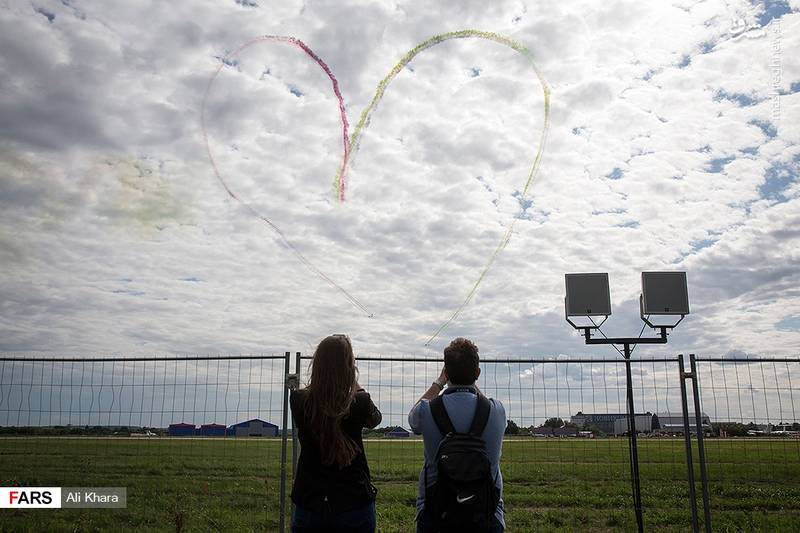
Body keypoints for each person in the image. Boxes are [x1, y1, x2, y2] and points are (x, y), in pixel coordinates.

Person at [408, 337, 506, 533]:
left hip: (436, 513)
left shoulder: (427, 410)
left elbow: (413, 419)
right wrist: (471, 380)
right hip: (486, 513)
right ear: (477, 373)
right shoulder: (496, 410)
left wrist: (438, 383)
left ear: (446, 373)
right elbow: (482, 401)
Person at [290, 334, 382, 533]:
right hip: (353, 500)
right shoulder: (360, 402)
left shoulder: (298, 400)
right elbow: (375, 420)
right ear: (349, 367)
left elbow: (317, 401)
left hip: (310, 501)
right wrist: (355, 383)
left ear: (317, 364)